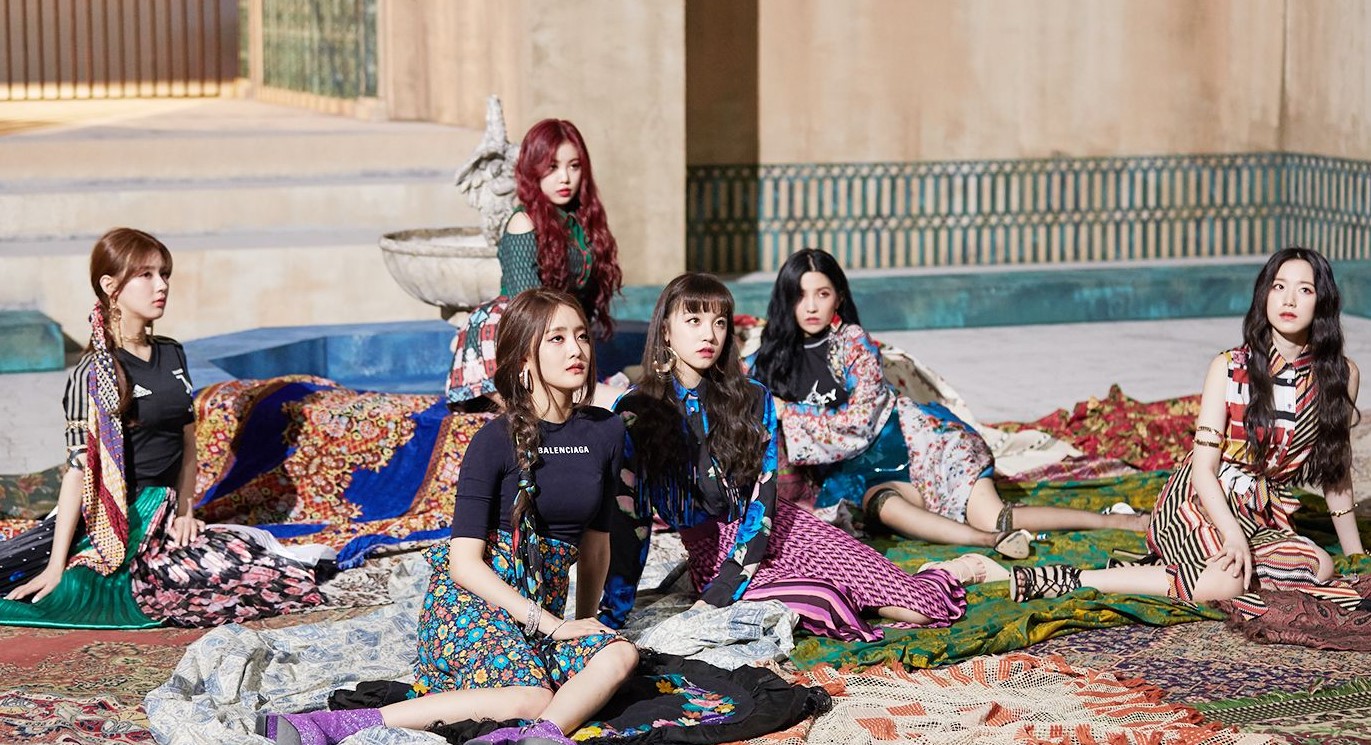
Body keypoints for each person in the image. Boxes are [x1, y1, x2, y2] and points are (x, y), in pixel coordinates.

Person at [260, 289, 638, 745]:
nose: (575, 349)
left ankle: (538, 737)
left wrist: (583, 625)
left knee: (619, 656)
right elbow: (464, 564)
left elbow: (596, 543)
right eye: (556, 339)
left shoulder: (605, 431)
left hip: (542, 612)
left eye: (581, 336)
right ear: (524, 357)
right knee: (532, 695)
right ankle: (326, 726)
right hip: (472, 605)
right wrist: (551, 625)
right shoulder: (493, 441)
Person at [599, 273, 974, 644]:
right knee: (826, 600)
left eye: (719, 322)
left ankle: (954, 571)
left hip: (784, 529)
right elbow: (631, 521)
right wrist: (612, 615)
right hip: (713, 554)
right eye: (694, 320)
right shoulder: (636, 409)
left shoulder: (752, 397)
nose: (708, 335)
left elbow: (762, 501)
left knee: (922, 608)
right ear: (666, 330)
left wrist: (727, 585)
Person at [1011, 247, 1365, 618]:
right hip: (1200, 498)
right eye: (1279, 287)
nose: (1288, 299)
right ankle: (1075, 579)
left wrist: (1355, 553)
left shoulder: (1340, 377)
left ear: (1322, 301)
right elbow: (1203, 470)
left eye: (1304, 290)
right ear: (1264, 294)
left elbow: (1335, 470)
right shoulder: (1229, 368)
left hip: (1262, 514)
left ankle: (1150, 573)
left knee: (1319, 566)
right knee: (1229, 581)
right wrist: (1233, 534)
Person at [0, 227, 326, 629]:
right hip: (116, 518)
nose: (162, 285)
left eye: (164, 274)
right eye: (146, 275)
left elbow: (187, 441)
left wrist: (186, 510)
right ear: (110, 286)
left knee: (261, 570)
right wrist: (56, 565)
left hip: (167, 512)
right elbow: (78, 471)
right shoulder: (94, 372)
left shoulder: (172, 352)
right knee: (77, 589)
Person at [746, 249, 1150, 559]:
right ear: (786, 300)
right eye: (801, 295)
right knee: (883, 507)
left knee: (995, 513)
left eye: (822, 294)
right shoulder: (767, 362)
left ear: (838, 297)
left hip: (921, 447)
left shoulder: (854, 344)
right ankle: (992, 542)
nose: (811, 306)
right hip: (861, 478)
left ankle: (1117, 521)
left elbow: (859, 420)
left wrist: (788, 412)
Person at [447, 118, 622, 411]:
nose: (564, 178)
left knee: (614, 403)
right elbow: (527, 308)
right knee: (595, 404)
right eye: (552, 167)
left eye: (574, 166)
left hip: (556, 335)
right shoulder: (523, 222)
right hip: (516, 335)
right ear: (533, 170)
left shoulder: (582, 223)